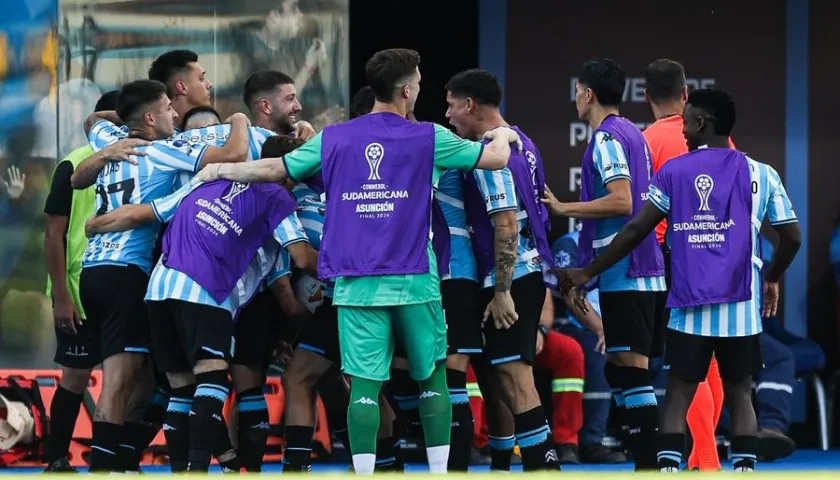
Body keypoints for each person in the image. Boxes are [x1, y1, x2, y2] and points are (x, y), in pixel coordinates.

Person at [195, 48, 521, 474]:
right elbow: (496, 157)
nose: (420, 87)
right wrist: (505, 134)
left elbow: (275, 168)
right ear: (406, 89)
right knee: (431, 379)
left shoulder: (336, 137)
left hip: (355, 283)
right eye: (419, 82)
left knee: (365, 388)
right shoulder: (429, 137)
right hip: (414, 280)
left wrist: (219, 173)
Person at [559, 88, 801, 472]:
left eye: (687, 121)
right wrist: (771, 277)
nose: (682, 129)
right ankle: (743, 469)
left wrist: (588, 270)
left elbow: (637, 227)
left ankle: (670, 470)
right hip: (740, 307)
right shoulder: (762, 173)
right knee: (741, 396)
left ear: (702, 123)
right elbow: (793, 237)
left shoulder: (673, 172)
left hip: (688, 304)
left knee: (676, 397)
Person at [72, 80, 250, 473]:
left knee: (147, 379)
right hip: (127, 273)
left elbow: (91, 120)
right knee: (118, 383)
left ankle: (125, 461)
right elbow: (235, 152)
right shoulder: (164, 151)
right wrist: (239, 117)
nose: (175, 114)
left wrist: (116, 134)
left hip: (92, 272)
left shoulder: (112, 137)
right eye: (168, 108)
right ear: (151, 118)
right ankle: (107, 470)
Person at [541, 58, 666, 470]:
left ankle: (649, 465)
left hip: (626, 271)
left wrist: (563, 206)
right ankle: (643, 456)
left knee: (631, 371)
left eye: (577, 91)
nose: (575, 98)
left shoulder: (608, 138)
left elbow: (622, 200)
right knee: (620, 368)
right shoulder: (634, 132)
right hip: (636, 269)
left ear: (589, 94)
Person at [444, 68, 558, 472]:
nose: (448, 113)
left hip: (512, 279)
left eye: (452, 104)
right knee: (508, 378)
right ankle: (535, 465)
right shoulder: (522, 141)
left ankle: (544, 468)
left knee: (515, 378)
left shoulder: (491, 151)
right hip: (528, 272)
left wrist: (502, 289)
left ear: (470, 105)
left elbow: (507, 222)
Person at [42, 90, 147, 472]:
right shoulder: (76, 162)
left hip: (125, 282)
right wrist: (62, 298)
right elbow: (54, 234)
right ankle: (55, 459)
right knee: (75, 376)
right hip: (78, 288)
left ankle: (120, 457)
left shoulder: (145, 157)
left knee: (133, 378)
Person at [642, 58, 730, 471]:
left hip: (676, 261)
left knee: (688, 364)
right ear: (686, 94)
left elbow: (647, 214)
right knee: (710, 360)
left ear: (645, 97)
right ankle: (700, 459)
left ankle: (707, 461)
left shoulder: (646, 141)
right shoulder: (716, 136)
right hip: (721, 257)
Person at [550, 226, 628, 465]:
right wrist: (601, 327)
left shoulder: (625, 239)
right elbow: (569, 291)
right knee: (598, 349)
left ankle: (650, 437)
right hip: (582, 324)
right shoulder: (570, 243)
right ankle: (593, 441)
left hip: (623, 322)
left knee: (655, 356)